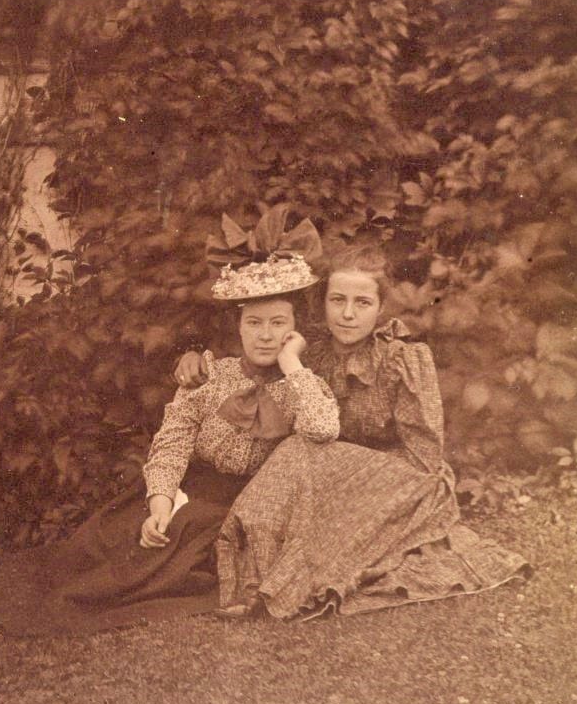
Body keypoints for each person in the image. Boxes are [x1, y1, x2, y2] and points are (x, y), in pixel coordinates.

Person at [0, 240, 339, 635]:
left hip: (250, 506)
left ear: (294, 331)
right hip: (191, 488)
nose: (266, 335)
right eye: (254, 323)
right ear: (238, 327)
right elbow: (172, 445)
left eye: (278, 323)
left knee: (185, 545)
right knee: (123, 539)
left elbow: (323, 429)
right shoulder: (208, 376)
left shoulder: (302, 385)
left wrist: (291, 364)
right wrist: (161, 504)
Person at [174, 242, 530, 619]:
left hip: (404, 482)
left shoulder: (403, 358)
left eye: (362, 303)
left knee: (299, 449)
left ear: (381, 307)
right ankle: (249, 584)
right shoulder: (309, 348)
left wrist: (347, 473)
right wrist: (194, 357)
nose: (347, 314)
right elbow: (249, 354)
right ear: (323, 302)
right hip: (322, 471)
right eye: (337, 300)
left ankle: (266, 589)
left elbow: (424, 457)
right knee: (299, 450)